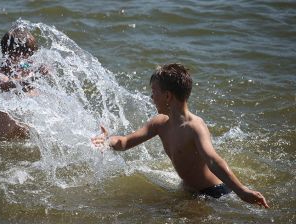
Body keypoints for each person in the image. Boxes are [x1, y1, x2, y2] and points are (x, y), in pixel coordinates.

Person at [91, 63, 269, 208]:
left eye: (154, 92)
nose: (151, 97)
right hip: (187, 190)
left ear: (167, 96)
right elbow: (125, 142)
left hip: (214, 193)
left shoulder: (194, 126)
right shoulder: (159, 123)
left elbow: (214, 160)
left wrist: (242, 191)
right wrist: (107, 141)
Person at [0, 24, 47, 140]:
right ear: (7, 54)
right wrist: (36, 76)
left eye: (29, 56)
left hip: (14, 140)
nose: (26, 62)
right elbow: (7, 85)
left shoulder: (27, 77)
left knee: (34, 94)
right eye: (20, 56)